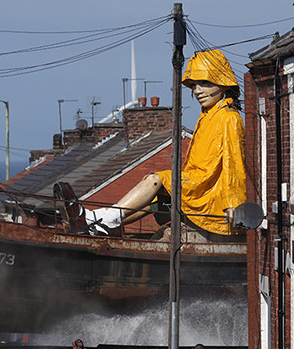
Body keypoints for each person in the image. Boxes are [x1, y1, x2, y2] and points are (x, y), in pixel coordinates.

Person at [86, 49, 246, 236]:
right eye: (194, 86)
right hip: (197, 182)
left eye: (204, 83)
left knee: (157, 179)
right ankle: (104, 223)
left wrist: (234, 203)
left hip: (206, 188)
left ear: (222, 83)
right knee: (154, 198)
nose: (198, 91)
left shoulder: (229, 118)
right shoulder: (208, 115)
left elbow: (234, 164)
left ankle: (106, 218)